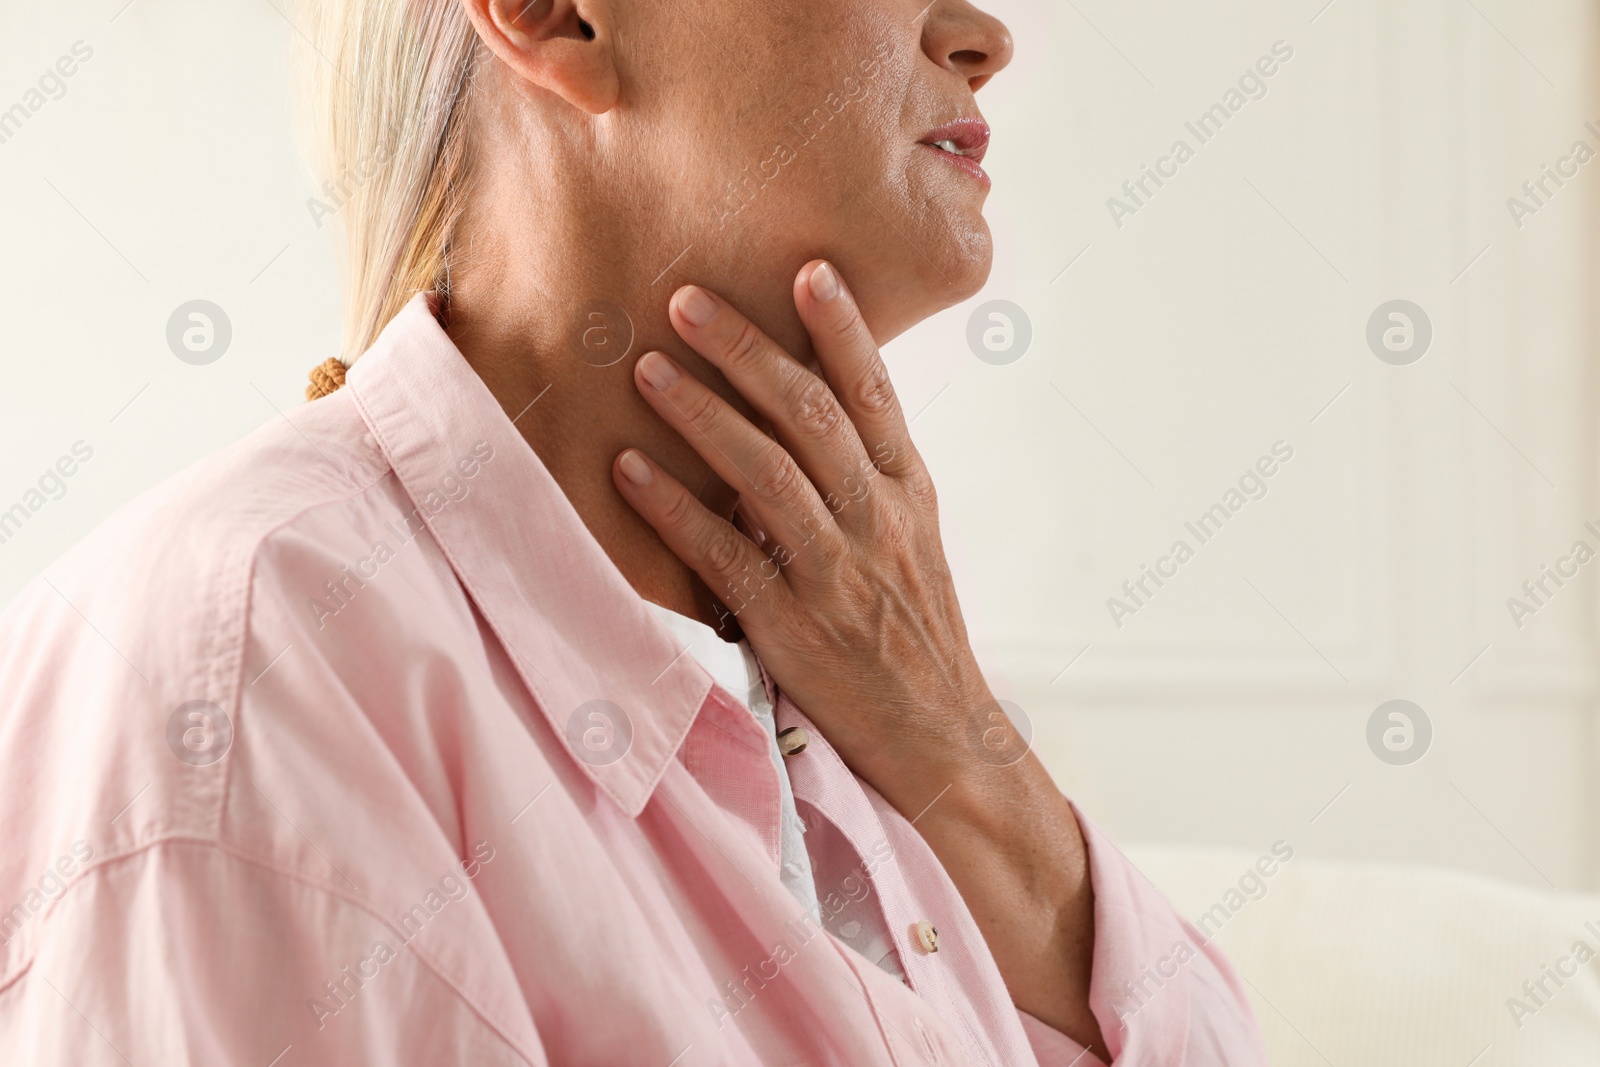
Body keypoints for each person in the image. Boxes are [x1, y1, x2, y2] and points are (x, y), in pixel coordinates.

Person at [0, 0, 1267, 1063]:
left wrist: (956, 746)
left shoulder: (844, 686)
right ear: (560, 16)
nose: (980, 32)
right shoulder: (241, 669)